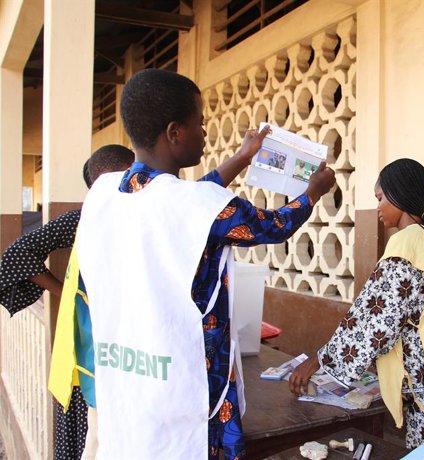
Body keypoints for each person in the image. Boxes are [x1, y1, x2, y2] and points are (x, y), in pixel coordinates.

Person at [75, 68, 335, 459]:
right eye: (200, 123)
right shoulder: (191, 205)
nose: (206, 133)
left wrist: (243, 157)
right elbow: (274, 225)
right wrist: (312, 192)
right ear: (175, 132)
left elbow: (190, 200)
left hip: (130, 382)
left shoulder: (105, 192)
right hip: (189, 388)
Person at [289, 159, 424, 456]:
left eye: (380, 198)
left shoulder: (408, 243)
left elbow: (377, 323)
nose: (377, 208)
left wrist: (320, 360)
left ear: (399, 195)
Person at [0, 144, 134, 460]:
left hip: (130, 358)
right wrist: (65, 292)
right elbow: (15, 256)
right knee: (84, 442)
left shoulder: (144, 219)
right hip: (86, 357)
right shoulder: (81, 221)